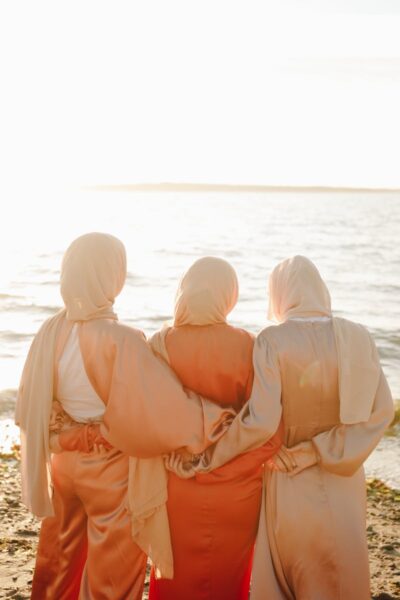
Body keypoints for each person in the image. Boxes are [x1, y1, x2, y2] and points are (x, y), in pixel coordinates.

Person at [16, 233, 235, 600]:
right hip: (110, 470)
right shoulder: (122, 338)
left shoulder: (51, 330)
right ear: (110, 276)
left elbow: (35, 400)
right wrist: (218, 417)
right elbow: (163, 410)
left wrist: (64, 436)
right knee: (113, 570)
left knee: (61, 555)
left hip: (64, 465)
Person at [168, 255, 394, 600]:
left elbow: (260, 421)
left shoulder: (272, 340)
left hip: (285, 474)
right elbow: (379, 414)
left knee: (285, 579)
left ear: (279, 294)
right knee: (342, 577)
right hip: (342, 480)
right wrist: (319, 451)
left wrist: (213, 456)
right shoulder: (358, 336)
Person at [148, 256, 282, 600]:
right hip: (237, 489)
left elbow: (147, 419)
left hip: (176, 483)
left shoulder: (160, 345)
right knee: (229, 580)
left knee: (173, 577)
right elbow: (269, 431)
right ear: (229, 295)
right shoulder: (251, 347)